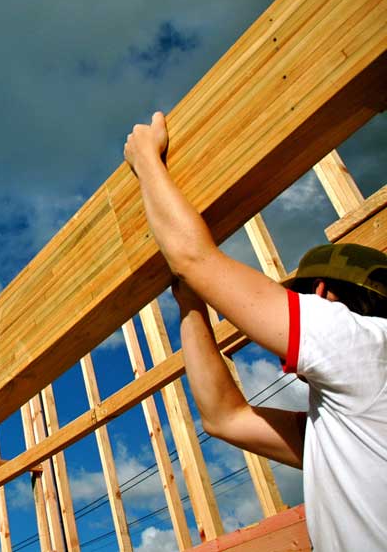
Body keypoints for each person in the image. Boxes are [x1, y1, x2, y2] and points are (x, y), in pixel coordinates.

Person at [123, 111, 387, 550]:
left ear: (322, 293)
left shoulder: (366, 343)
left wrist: (147, 160)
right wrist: (191, 303)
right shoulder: (348, 425)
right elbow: (224, 418)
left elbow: (194, 259)